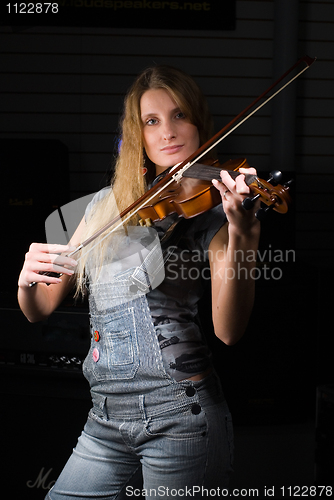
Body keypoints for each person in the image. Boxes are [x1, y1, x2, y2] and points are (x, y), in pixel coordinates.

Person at [18, 65, 261, 499]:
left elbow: (229, 331)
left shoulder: (215, 213)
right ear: (139, 136)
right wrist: (26, 281)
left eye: (179, 115)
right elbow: (39, 309)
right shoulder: (99, 206)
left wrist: (243, 232)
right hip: (105, 418)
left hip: (180, 416)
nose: (167, 131)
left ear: (200, 124)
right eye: (152, 121)